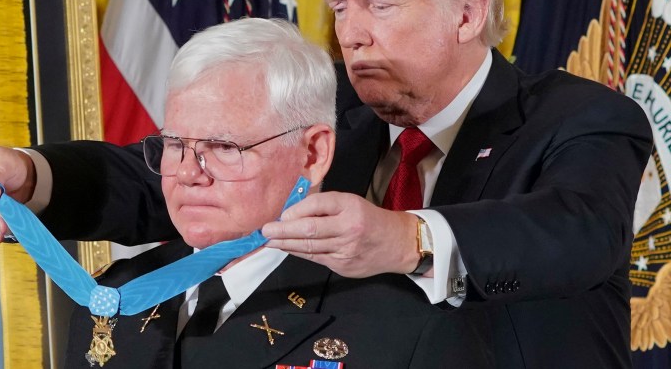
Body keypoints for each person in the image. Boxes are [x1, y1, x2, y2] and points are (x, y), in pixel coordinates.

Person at [0, 0, 653, 367]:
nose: (351, 33)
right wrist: (32, 176)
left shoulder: (583, 117)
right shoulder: (330, 109)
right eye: (342, 6)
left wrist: (408, 237)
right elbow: (159, 172)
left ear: (468, 13)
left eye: (380, 5)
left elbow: (576, 233)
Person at [60, 18, 492, 368]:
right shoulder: (114, 297)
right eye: (175, 144)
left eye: (225, 147)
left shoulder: (404, 323)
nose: (188, 173)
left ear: (313, 154)